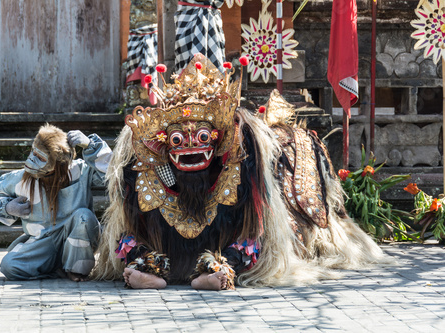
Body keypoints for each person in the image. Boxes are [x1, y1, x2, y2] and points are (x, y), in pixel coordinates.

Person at [92, 54, 389, 290]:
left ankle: (224, 268)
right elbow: (131, 226)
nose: (191, 147)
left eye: (203, 138)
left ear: (220, 139)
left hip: (229, 224)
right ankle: (146, 267)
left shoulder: (242, 159)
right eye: (179, 140)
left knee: (254, 236)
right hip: (169, 200)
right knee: (129, 239)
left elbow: (254, 229)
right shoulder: (147, 167)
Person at [0, 124, 112, 281]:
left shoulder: (81, 171)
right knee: (9, 266)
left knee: (84, 216)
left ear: (58, 164)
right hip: (42, 240)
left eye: (41, 158)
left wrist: (91, 145)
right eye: (33, 152)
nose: (32, 160)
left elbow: (112, 173)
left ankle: (76, 269)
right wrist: (8, 207)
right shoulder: (21, 178)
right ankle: (57, 270)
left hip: (76, 233)